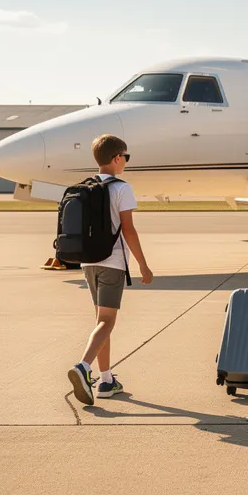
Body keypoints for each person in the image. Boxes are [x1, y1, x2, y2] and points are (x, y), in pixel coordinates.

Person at [67, 134, 154, 405]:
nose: (126, 162)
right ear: (117, 158)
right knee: (107, 322)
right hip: (112, 263)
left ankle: (106, 381)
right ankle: (83, 367)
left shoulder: (86, 187)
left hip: (88, 262)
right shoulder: (121, 188)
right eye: (126, 157)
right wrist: (143, 264)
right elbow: (128, 229)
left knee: (101, 322)